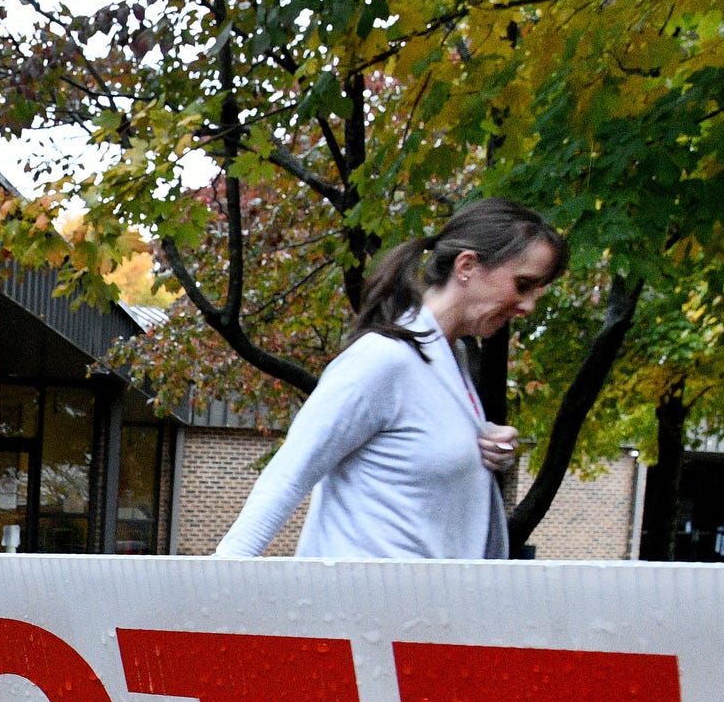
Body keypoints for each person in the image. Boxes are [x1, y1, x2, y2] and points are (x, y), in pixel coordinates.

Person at [210, 198, 564, 561]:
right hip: (360, 609)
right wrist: (223, 578)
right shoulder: (383, 358)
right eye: (523, 284)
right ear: (467, 266)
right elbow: (292, 470)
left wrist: (482, 444)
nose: (529, 306)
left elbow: (413, 451)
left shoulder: (449, 357)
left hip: (422, 610)